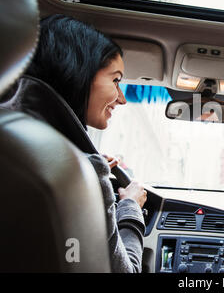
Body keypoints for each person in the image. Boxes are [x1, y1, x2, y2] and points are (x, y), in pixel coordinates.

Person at [2, 15, 147, 273]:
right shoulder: (81, 173)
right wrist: (131, 208)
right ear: (79, 72)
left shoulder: (13, 138)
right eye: (115, 80)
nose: (122, 99)